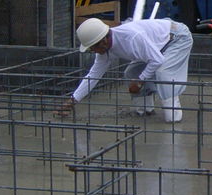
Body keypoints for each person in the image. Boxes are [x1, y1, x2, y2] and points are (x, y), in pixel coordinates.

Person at [58, 17, 194, 124]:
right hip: (158, 43)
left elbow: (157, 60)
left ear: (103, 41)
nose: (92, 51)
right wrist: (73, 100)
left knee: (163, 73)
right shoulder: (104, 50)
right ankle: (145, 111)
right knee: (132, 72)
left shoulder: (131, 38)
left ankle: (174, 118)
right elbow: (93, 76)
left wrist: (139, 82)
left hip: (177, 37)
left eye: (92, 47)